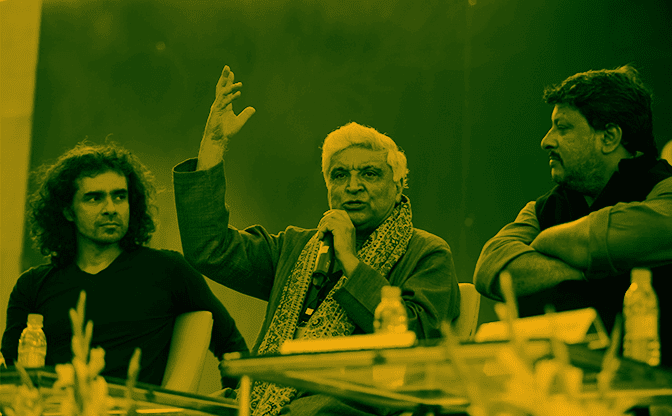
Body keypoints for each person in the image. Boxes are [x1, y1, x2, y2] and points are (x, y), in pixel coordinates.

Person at [173, 66, 460, 415]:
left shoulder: (427, 253)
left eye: (370, 174)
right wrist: (214, 144)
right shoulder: (297, 249)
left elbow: (419, 340)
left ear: (398, 186)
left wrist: (351, 262)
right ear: (328, 187)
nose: (353, 186)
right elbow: (210, 249)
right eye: (340, 175)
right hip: (268, 396)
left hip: (351, 403)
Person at [1, 142, 248, 387]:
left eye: (119, 196)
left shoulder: (169, 270)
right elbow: (8, 376)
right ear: (67, 210)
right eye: (94, 198)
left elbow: (233, 348)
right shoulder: (32, 286)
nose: (110, 209)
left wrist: (232, 401)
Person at [473, 65, 672, 365]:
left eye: (563, 128)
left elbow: (584, 241)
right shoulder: (543, 207)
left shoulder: (665, 190)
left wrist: (546, 243)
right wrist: (594, 271)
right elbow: (492, 267)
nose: (547, 140)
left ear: (609, 137)